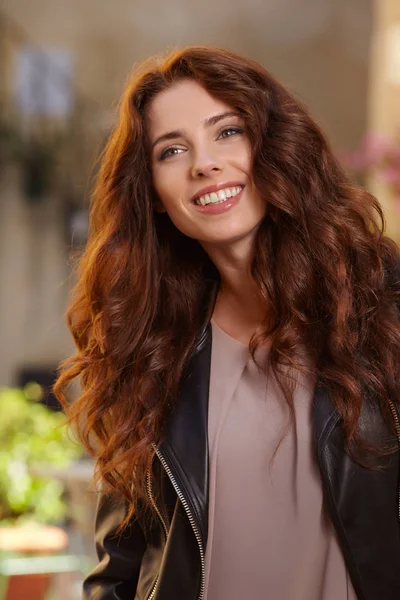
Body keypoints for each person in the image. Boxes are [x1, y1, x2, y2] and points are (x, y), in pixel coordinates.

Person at [54, 46, 400, 600]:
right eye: (172, 150)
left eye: (227, 132)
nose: (203, 164)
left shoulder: (384, 302)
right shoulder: (150, 346)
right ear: (157, 196)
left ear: (272, 146)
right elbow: (121, 565)